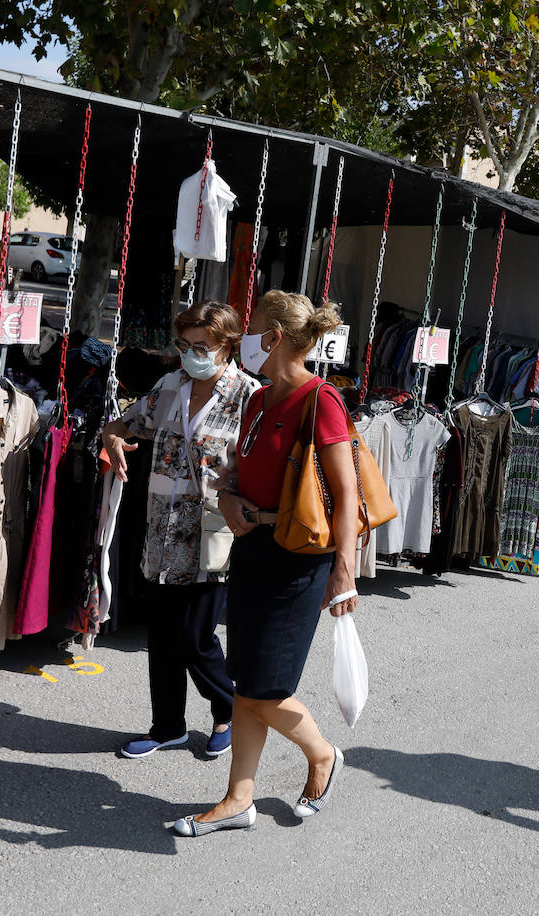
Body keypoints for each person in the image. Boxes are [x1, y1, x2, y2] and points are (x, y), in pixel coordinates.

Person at [171, 290, 359, 838]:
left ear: (274, 338)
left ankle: (322, 754)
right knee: (245, 680)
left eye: (252, 329)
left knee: (263, 688)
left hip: (299, 559)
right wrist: (229, 497)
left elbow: (346, 495)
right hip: (252, 549)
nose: (245, 339)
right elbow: (241, 473)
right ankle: (238, 799)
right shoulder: (257, 400)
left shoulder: (321, 400)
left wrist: (344, 572)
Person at [104, 301, 261, 760]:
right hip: (162, 530)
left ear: (227, 345)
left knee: (195, 636)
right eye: (185, 345)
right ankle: (167, 726)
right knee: (162, 636)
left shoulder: (248, 395)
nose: (191, 354)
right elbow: (126, 422)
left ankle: (230, 708)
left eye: (202, 346)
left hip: (212, 533)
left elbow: (260, 466)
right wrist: (113, 437)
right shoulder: (170, 385)